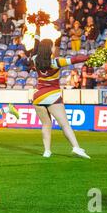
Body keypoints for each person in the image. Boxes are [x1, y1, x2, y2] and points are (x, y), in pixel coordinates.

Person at [30, 28, 90, 159]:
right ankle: (76, 147)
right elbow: (75, 59)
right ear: (49, 49)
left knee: (46, 124)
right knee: (64, 124)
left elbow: (35, 46)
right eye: (52, 47)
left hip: (38, 96)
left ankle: (47, 151)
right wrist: (89, 57)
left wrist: (38, 28)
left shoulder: (35, 60)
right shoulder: (56, 62)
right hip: (52, 95)